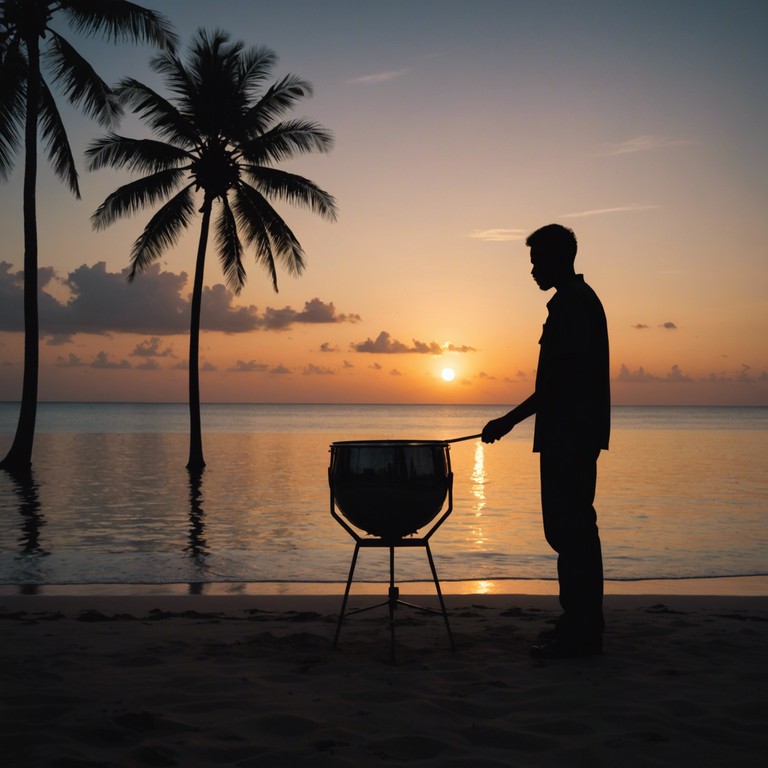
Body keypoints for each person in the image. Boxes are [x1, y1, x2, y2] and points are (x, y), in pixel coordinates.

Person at [481, 223, 610, 659]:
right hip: (569, 433)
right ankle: (580, 621)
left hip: (569, 436)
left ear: (558, 259)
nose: (533, 270)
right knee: (570, 530)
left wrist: (508, 421)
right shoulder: (573, 303)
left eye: (537, 261)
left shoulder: (574, 306)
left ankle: (582, 627)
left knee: (570, 530)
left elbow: (557, 385)